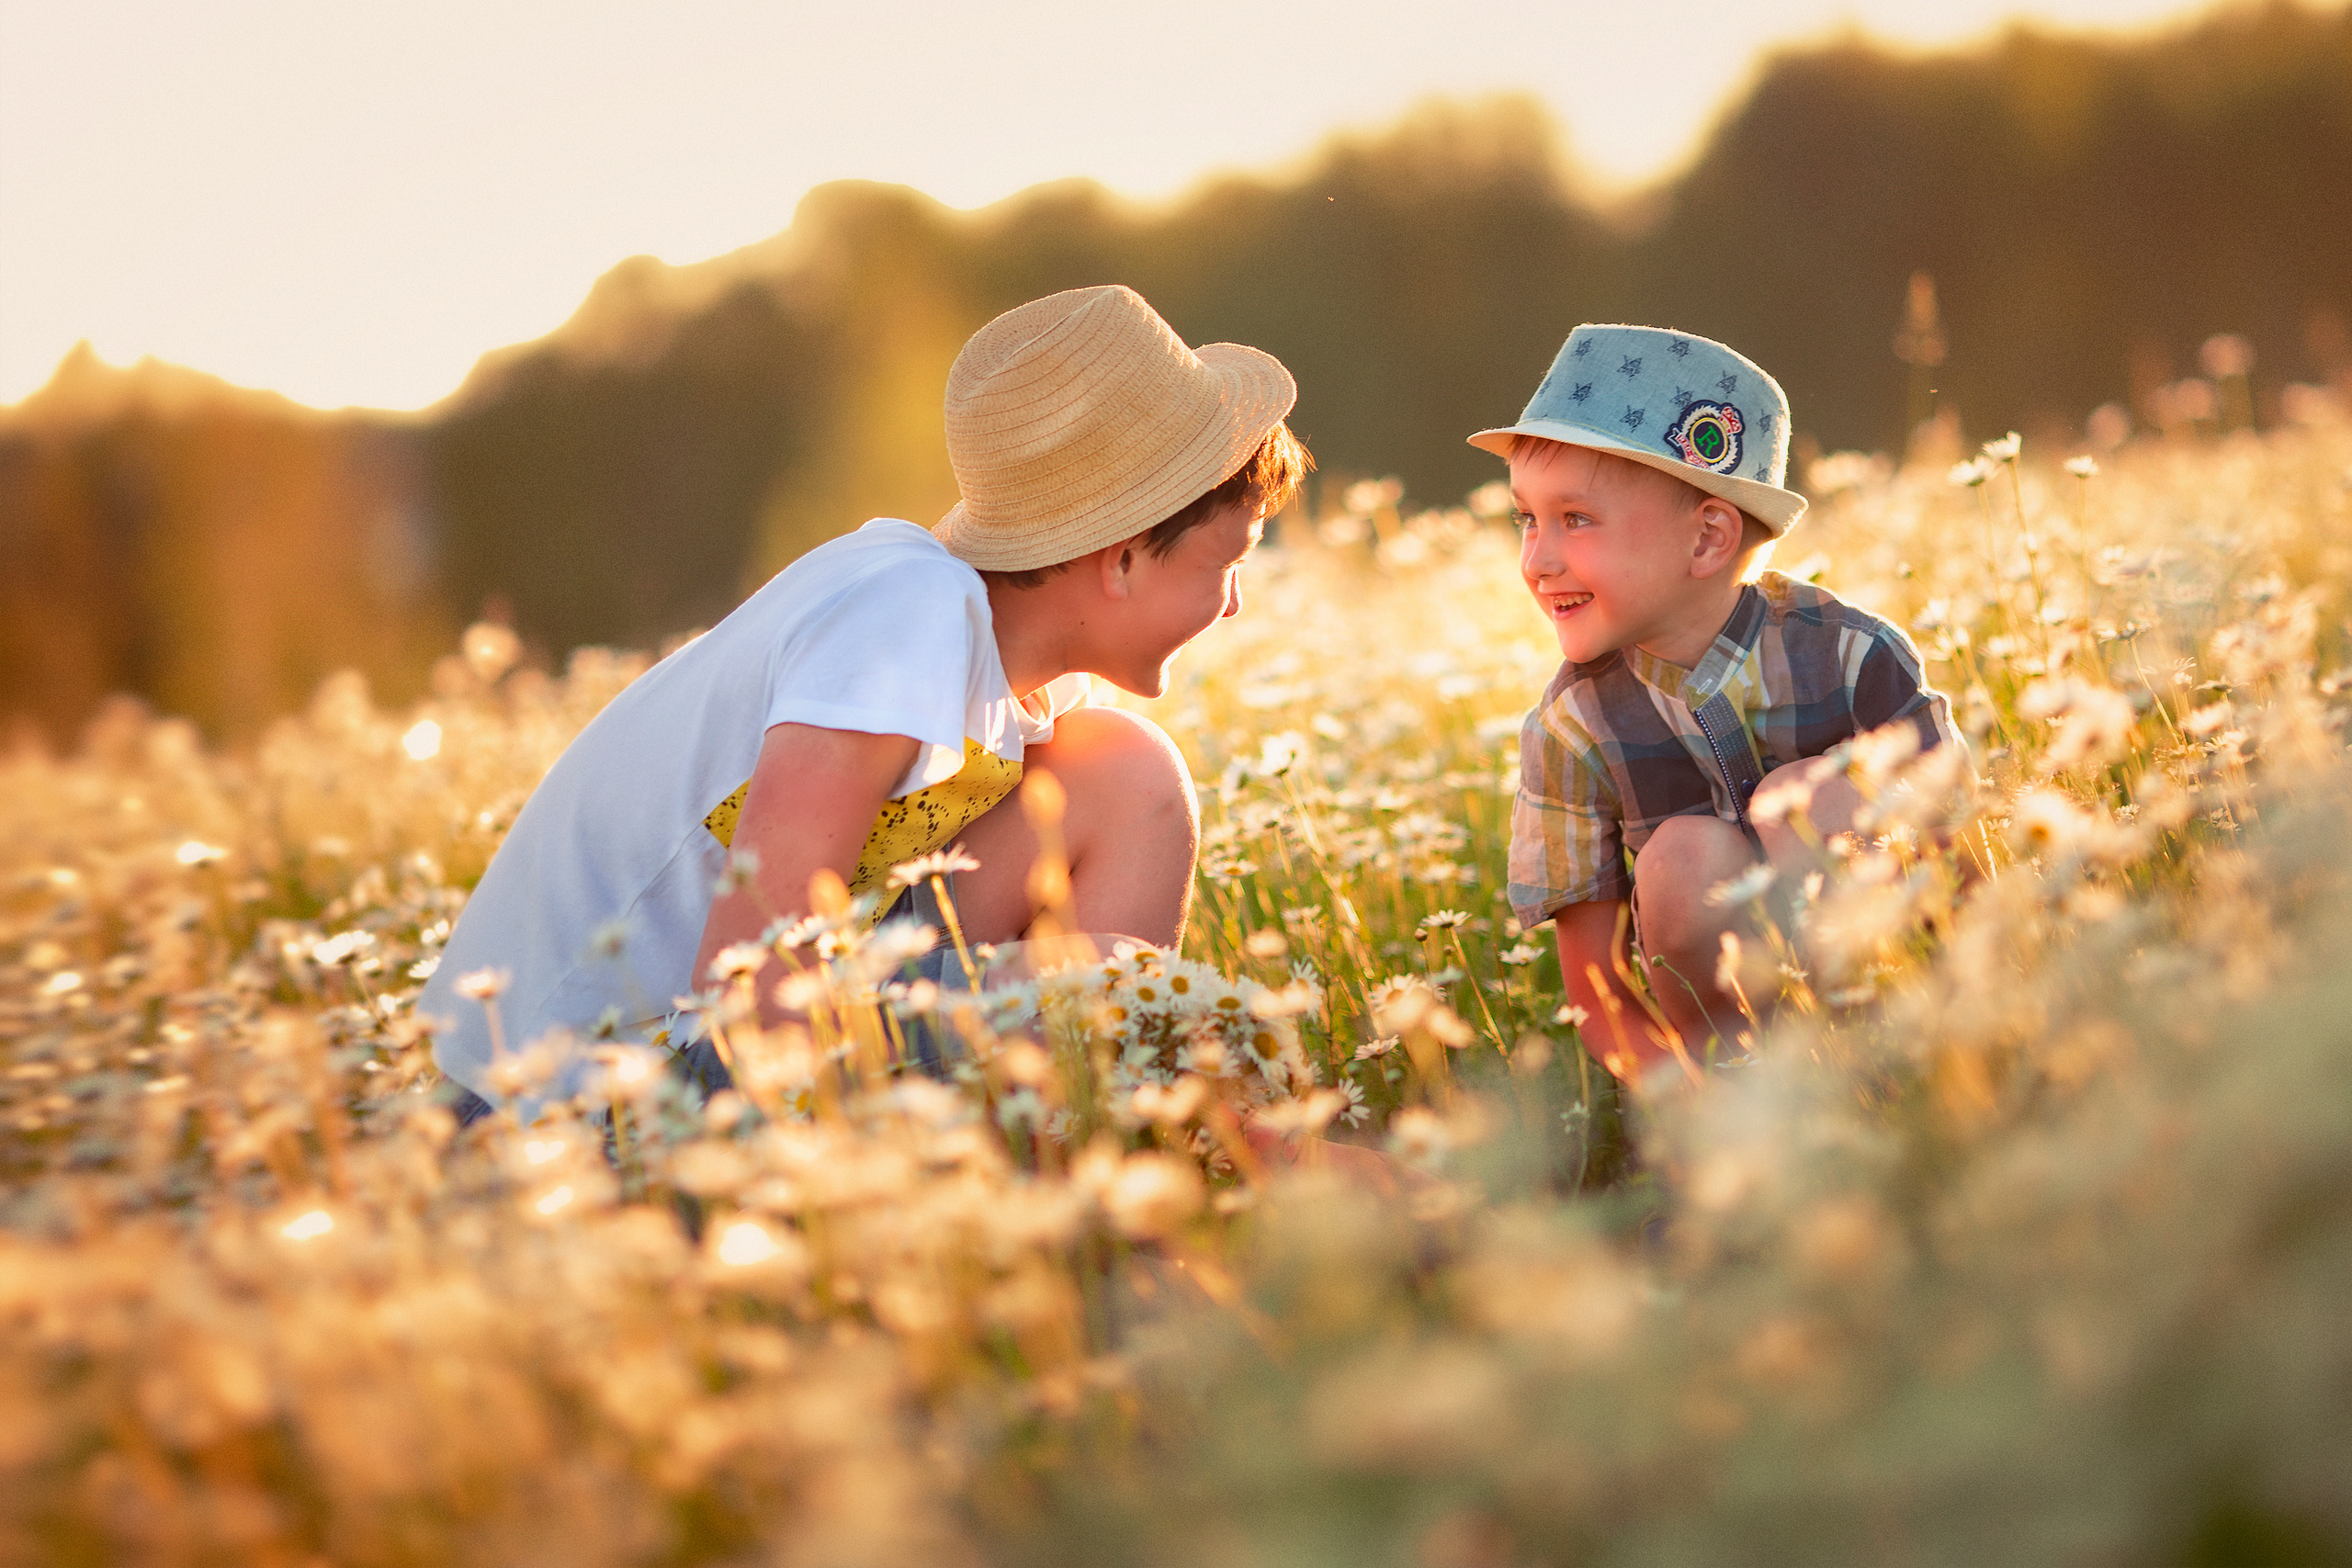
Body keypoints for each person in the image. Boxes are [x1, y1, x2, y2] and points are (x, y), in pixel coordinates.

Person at [422, 284, 1308, 1118]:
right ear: (1120, 558)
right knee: (1093, 1007)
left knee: (1122, 774)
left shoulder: (1020, 676)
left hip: (726, 1043)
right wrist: (1055, 1017)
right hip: (570, 1102)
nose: (1232, 602)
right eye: (1225, 565)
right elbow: (750, 991)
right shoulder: (904, 618)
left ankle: (1112, 1152)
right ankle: (1121, 1163)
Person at [1470, 324, 1958, 1083]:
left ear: (1707, 541)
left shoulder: (1854, 655)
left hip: (1916, 997)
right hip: (1729, 1074)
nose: (1537, 558)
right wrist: (1686, 1104)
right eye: (1525, 518)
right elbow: (1595, 990)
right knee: (1680, 859)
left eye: (1575, 518)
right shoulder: (1572, 729)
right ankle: (1746, 1100)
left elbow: (1962, 862)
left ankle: (1894, 1071)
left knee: (1800, 801)